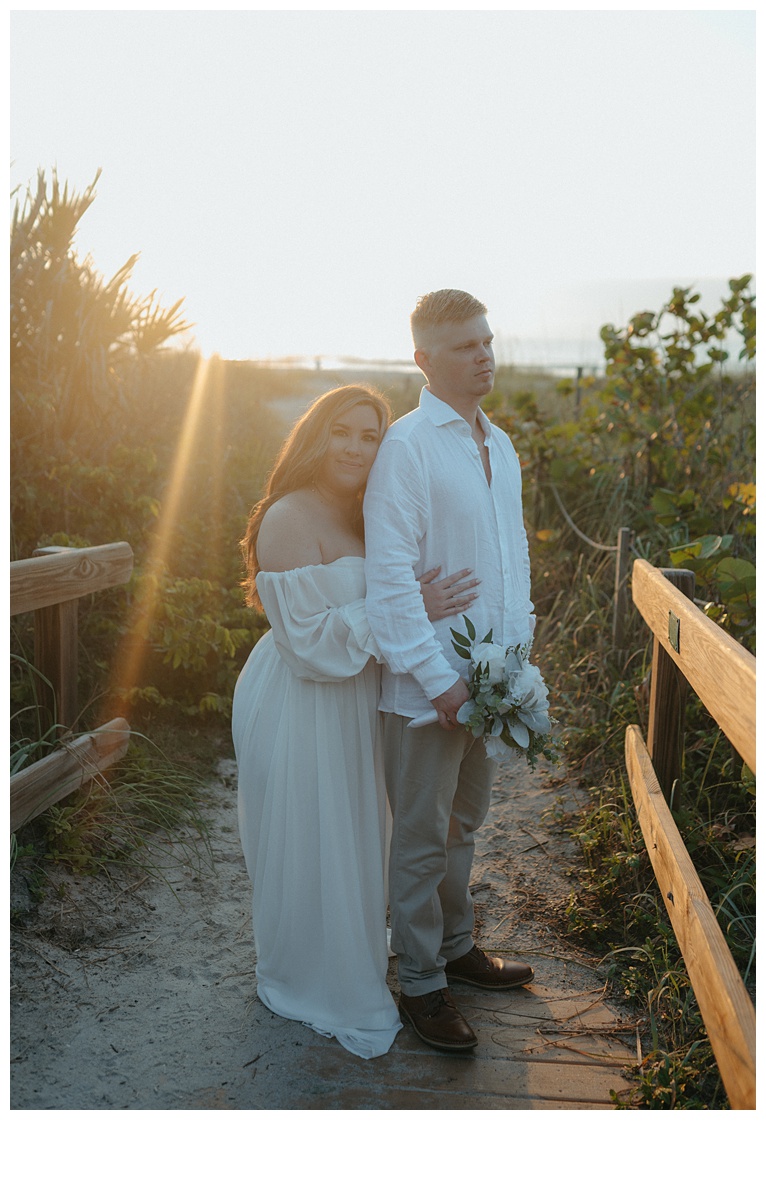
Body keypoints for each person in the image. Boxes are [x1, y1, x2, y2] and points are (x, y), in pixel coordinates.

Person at [232, 384, 478, 1059]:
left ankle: (397, 949)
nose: (356, 448)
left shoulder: (372, 512)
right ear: (316, 436)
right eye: (342, 432)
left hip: (360, 692)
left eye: (371, 437)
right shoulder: (289, 516)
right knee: (318, 835)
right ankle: (313, 973)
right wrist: (409, 608)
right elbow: (307, 642)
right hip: (303, 700)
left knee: (368, 831)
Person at [363, 290, 537, 1053]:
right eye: (465, 345)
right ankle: (422, 983)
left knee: (465, 822)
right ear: (424, 361)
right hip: (429, 687)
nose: (484, 355)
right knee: (423, 837)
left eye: (487, 340)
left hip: (491, 681)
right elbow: (392, 577)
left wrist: (517, 662)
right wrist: (438, 680)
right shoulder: (408, 446)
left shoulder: (500, 445)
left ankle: (458, 948)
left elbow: (515, 560)